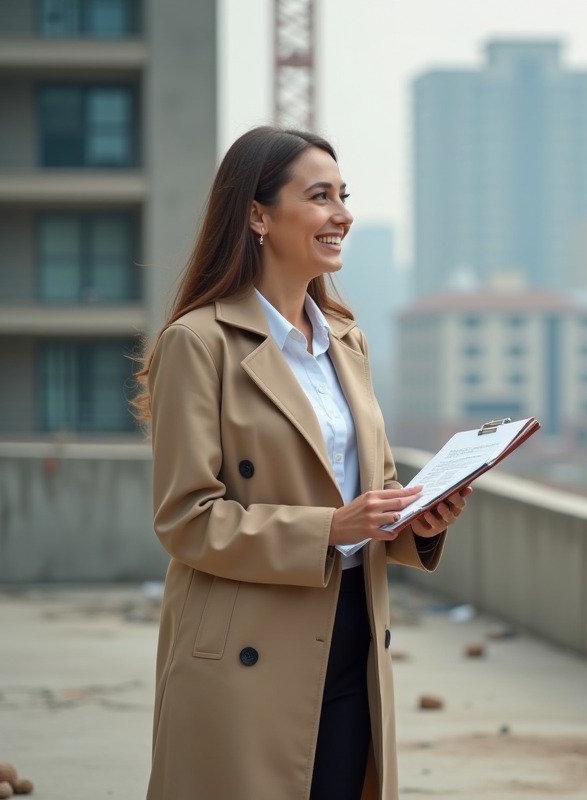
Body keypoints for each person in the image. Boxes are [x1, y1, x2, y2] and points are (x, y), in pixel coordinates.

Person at [133, 127, 470, 800]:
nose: (342, 213)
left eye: (344, 196)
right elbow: (186, 520)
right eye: (320, 197)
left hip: (352, 632)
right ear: (257, 214)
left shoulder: (347, 341)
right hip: (245, 647)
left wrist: (415, 521)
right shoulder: (198, 344)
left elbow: (368, 489)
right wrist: (328, 530)